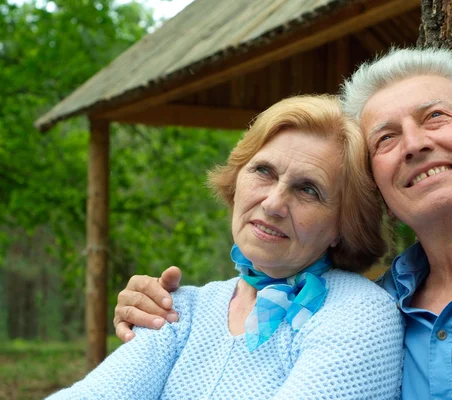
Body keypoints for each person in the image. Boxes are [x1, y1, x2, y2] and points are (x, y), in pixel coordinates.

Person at [116, 48, 452, 399]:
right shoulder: (363, 312)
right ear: (380, 193)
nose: (413, 145)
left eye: (434, 117)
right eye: (385, 139)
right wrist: (150, 307)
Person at [48, 95, 404, 399]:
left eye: (308, 189)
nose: (273, 203)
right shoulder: (180, 309)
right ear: (236, 181)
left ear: (343, 226)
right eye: (263, 171)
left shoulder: (360, 312)